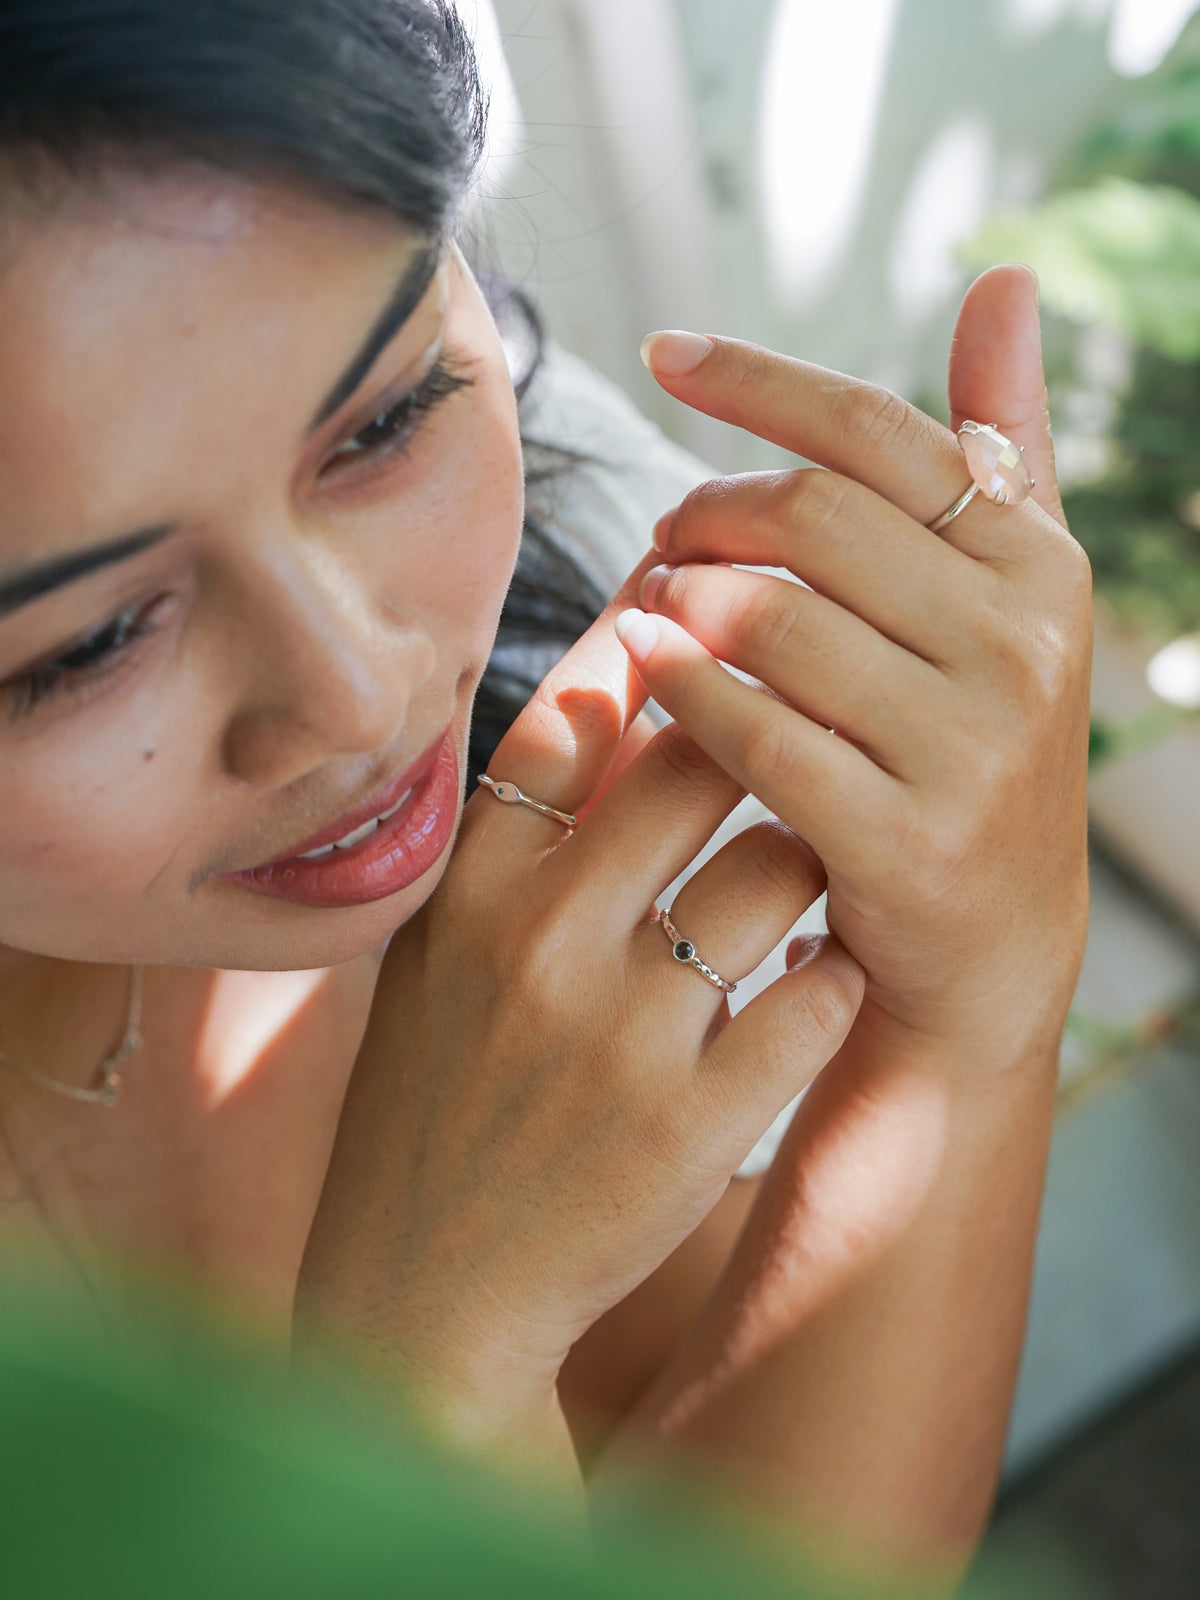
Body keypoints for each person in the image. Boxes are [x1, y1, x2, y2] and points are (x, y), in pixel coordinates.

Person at [0, 0, 1092, 1590]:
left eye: (384, 424)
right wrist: (413, 1400)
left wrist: (973, 1007)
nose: (364, 696)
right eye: (87, 643)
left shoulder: (590, 613)